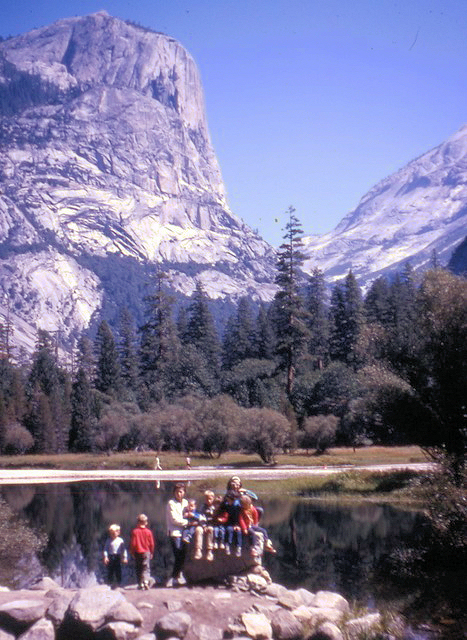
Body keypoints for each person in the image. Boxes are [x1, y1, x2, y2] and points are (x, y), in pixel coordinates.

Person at [166, 483, 189, 586]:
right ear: (174, 493)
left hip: (185, 532)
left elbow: (189, 514)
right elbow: (174, 519)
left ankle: (179, 575)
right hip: (175, 533)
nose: (179, 494)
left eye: (181, 492)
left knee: (183, 555)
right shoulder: (171, 503)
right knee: (178, 555)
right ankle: (174, 577)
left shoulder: (186, 502)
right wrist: (187, 522)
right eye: (177, 492)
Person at [129, 513, 155, 590]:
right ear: (146, 523)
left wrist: (132, 552)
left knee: (139, 568)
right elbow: (152, 544)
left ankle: (140, 584)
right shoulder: (148, 532)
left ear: (138, 522)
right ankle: (146, 582)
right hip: (146, 552)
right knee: (146, 568)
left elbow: (133, 543)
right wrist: (151, 552)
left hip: (137, 552)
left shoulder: (135, 531)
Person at [217, 491, 242, 556]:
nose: (228, 501)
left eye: (229, 499)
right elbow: (221, 511)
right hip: (228, 523)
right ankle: (227, 545)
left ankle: (238, 547)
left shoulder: (237, 506)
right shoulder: (226, 505)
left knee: (238, 532)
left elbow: (239, 516)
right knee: (229, 529)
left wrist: (237, 524)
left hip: (237, 523)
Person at [103, 523, 128, 588]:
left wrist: (125, 557)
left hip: (118, 556)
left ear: (118, 533)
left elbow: (124, 549)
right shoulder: (108, 540)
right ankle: (109, 583)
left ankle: (119, 583)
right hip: (111, 556)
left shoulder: (120, 540)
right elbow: (105, 549)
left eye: (114, 533)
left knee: (118, 570)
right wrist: (105, 557)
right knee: (110, 570)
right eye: (112, 534)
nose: (113, 535)